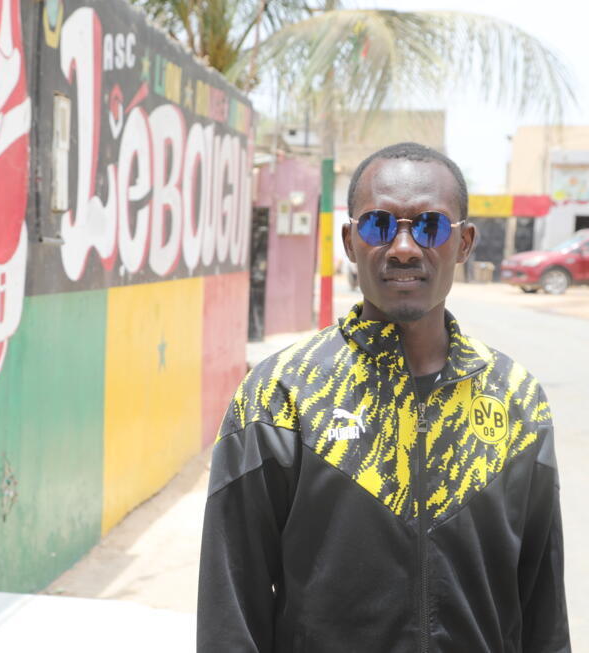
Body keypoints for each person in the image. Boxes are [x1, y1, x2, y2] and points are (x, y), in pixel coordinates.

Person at [197, 142, 569, 652]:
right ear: (351, 241)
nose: (404, 248)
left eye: (431, 226)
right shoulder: (281, 395)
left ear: (464, 243)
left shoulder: (515, 400)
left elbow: (542, 602)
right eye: (378, 225)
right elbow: (231, 604)